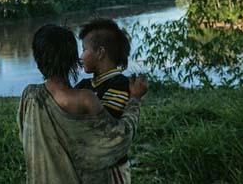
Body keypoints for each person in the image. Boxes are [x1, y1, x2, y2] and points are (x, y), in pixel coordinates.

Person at [18, 24, 148, 184]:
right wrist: (135, 100)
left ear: (38, 59)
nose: (81, 56)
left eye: (84, 50)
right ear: (72, 59)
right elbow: (118, 138)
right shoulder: (85, 96)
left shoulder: (29, 95)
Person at [75, 18, 133, 183]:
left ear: (100, 53)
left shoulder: (119, 84)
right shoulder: (85, 84)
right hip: (90, 166)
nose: (80, 57)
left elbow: (106, 125)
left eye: (84, 50)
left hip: (111, 168)